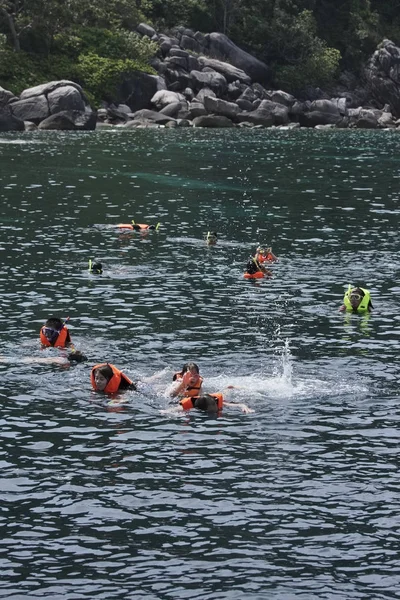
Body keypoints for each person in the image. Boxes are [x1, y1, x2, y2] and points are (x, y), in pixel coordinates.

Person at [166, 393, 254, 414]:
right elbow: (171, 410)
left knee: (225, 394)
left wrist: (244, 406)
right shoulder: (193, 406)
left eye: (215, 405)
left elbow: (238, 404)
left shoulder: (216, 402)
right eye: (213, 408)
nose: (216, 408)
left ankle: (229, 388)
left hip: (214, 395)